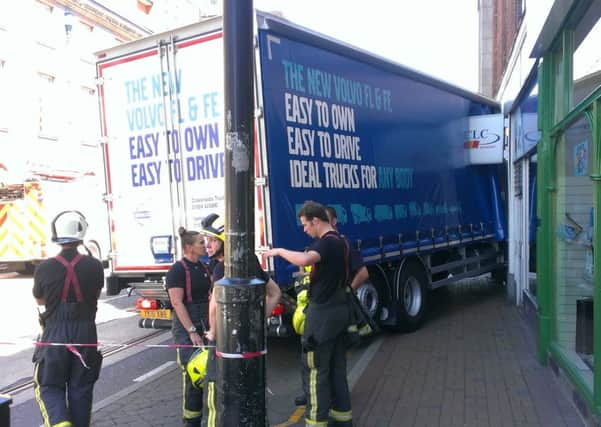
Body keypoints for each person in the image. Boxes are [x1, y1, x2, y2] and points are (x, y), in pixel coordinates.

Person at [265, 200, 352, 427]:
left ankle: (315, 422)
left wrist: (279, 251)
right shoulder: (342, 242)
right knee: (336, 369)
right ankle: (343, 418)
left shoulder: (326, 243)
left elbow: (305, 259)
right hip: (339, 312)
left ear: (316, 221)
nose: (304, 230)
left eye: (305, 225)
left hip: (322, 317)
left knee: (315, 372)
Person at [199, 213, 281, 426]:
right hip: (249, 342)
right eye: (206, 240)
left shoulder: (221, 268)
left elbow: (214, 305)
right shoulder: (249, 260)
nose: (207, 245)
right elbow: (275, 293)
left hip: (224, 344)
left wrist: (213, 334)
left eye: (213, 240)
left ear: (225, 240)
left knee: (215, 394)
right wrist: (257, 322)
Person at [32, 210, 104, 427]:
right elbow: (95, 294)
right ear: (81, 233)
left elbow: (39, 300)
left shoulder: (44, 267)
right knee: (81, 389)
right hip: (86, 333)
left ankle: (60, 422)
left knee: (49, 385)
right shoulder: (95, 265)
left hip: (55, 332)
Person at [166, 227, 212, 427]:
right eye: (201, 243)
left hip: (205, 322)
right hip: (187, 326)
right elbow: (177, 303)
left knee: (209, 371)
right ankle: (191, 422)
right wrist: (191, 331)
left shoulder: (203, 267)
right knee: (194, 374)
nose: (206, 246)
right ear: (189, 247)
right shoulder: (177, 270)